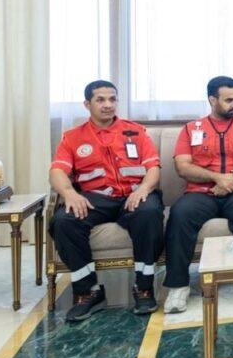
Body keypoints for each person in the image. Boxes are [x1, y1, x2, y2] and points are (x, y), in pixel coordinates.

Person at [49, 80, 164, 322]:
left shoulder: (136, 132)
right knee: (63, 220)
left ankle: (144, 287)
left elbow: (153, 167)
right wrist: (70, 193)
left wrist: (144, 189)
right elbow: (57, 171)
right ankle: (87, 292)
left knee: (149, 212)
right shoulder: (72, 137)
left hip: (133, 195)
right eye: (100, 100)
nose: (108, 105)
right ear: (87, 104)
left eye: (112, 99)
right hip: (96, 199)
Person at [163, 76, 233, 313]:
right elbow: (182, 167)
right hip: (202, 192)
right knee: (180, 213)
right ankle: (178, 286)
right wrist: (217, 178)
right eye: (228, 100)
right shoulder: (191, 129)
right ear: (212, 100)